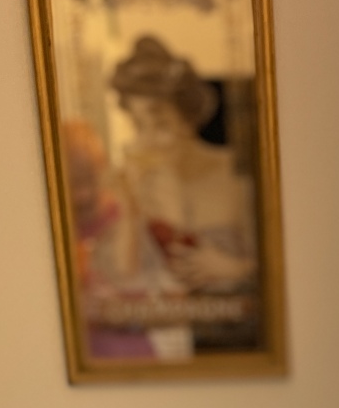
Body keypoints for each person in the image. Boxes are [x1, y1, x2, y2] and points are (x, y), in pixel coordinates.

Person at [108, 35, 256, 295]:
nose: (148, 140)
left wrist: (234, 269)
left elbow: (283, 261)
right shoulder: (134, 185)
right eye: (139, 126)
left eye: (161, 124)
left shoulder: (236, 174)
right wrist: (130, 210)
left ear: (188, 120)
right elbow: (121, 277)